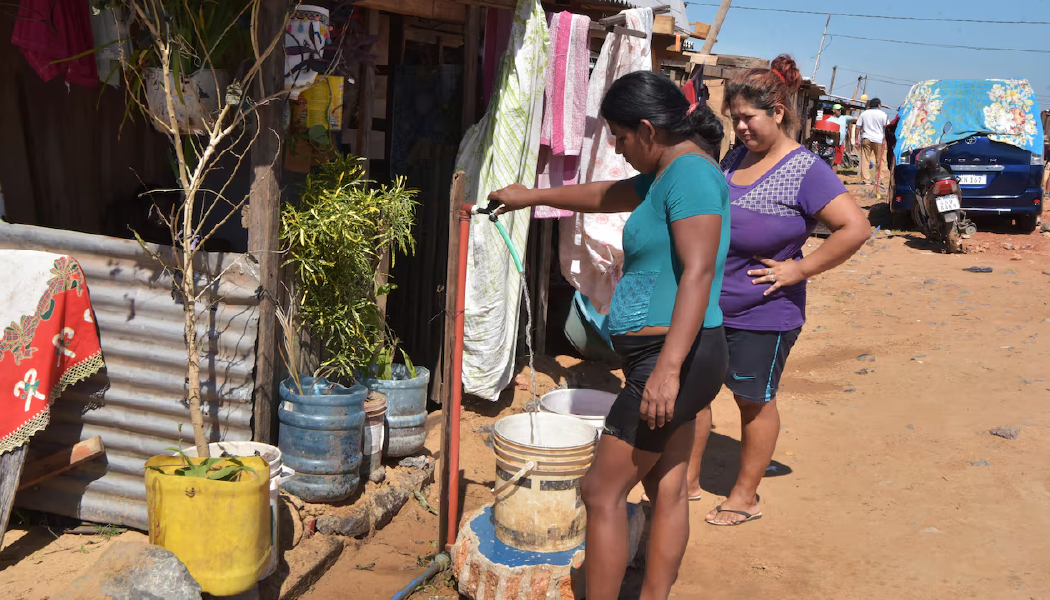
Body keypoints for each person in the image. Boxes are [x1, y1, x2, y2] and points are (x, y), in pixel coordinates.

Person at [487, 70, 730, 599]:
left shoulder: (690, 175)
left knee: (601, 490)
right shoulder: (667, 172)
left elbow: (699, 272)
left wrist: (667, 370)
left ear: (647, 129)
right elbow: (605, 194)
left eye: (620, 137)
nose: (617, 149)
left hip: (673, 358)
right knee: (666, 486)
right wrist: (531, 196)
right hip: (671, 355)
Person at [679, 54, 870, 525]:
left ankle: (745, 497)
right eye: (734, 119)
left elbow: (855, 227)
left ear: (778, 112)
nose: (740, 127)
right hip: (710, 304)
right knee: (695, 392)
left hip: (763, 312)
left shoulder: (806, 169)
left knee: (753, 400)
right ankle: (687, 482)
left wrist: (798, 270)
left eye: (748, 118)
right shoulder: (736, 156)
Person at [857, 98, 889, 184]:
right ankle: (878, 179)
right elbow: (887, 128)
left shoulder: (864, 114)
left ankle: (865, 179)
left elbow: (858, 127)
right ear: (879, 105)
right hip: (879, 139)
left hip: (866, 138)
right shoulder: (883, 114)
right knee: (879, 160)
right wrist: (886, 139)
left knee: (865, 159)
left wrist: (857, 139)